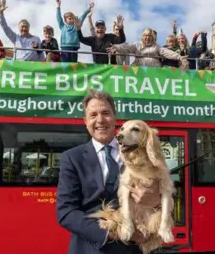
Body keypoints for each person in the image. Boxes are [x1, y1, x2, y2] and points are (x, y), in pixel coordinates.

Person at [56, 89, 162, 254]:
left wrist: (155, 201)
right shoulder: (72, 158)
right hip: (90, 249)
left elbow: (165, 195)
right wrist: (113, 233)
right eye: (93, 115)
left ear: (115, 117)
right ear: (85, 121)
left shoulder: (142, 153)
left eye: (105, 113)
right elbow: (66, 212)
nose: (100, 120)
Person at [107, 28, 188, 68]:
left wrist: (180, 57)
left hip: (154, 70)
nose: (148, 38)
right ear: (143, 37)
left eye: (150, 36)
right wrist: (116, 47)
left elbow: (166, 52)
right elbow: (127, 47)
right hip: (139, 68)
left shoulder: (156, 46)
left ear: (152, 38)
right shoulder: (137, 45)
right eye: (146, 36)